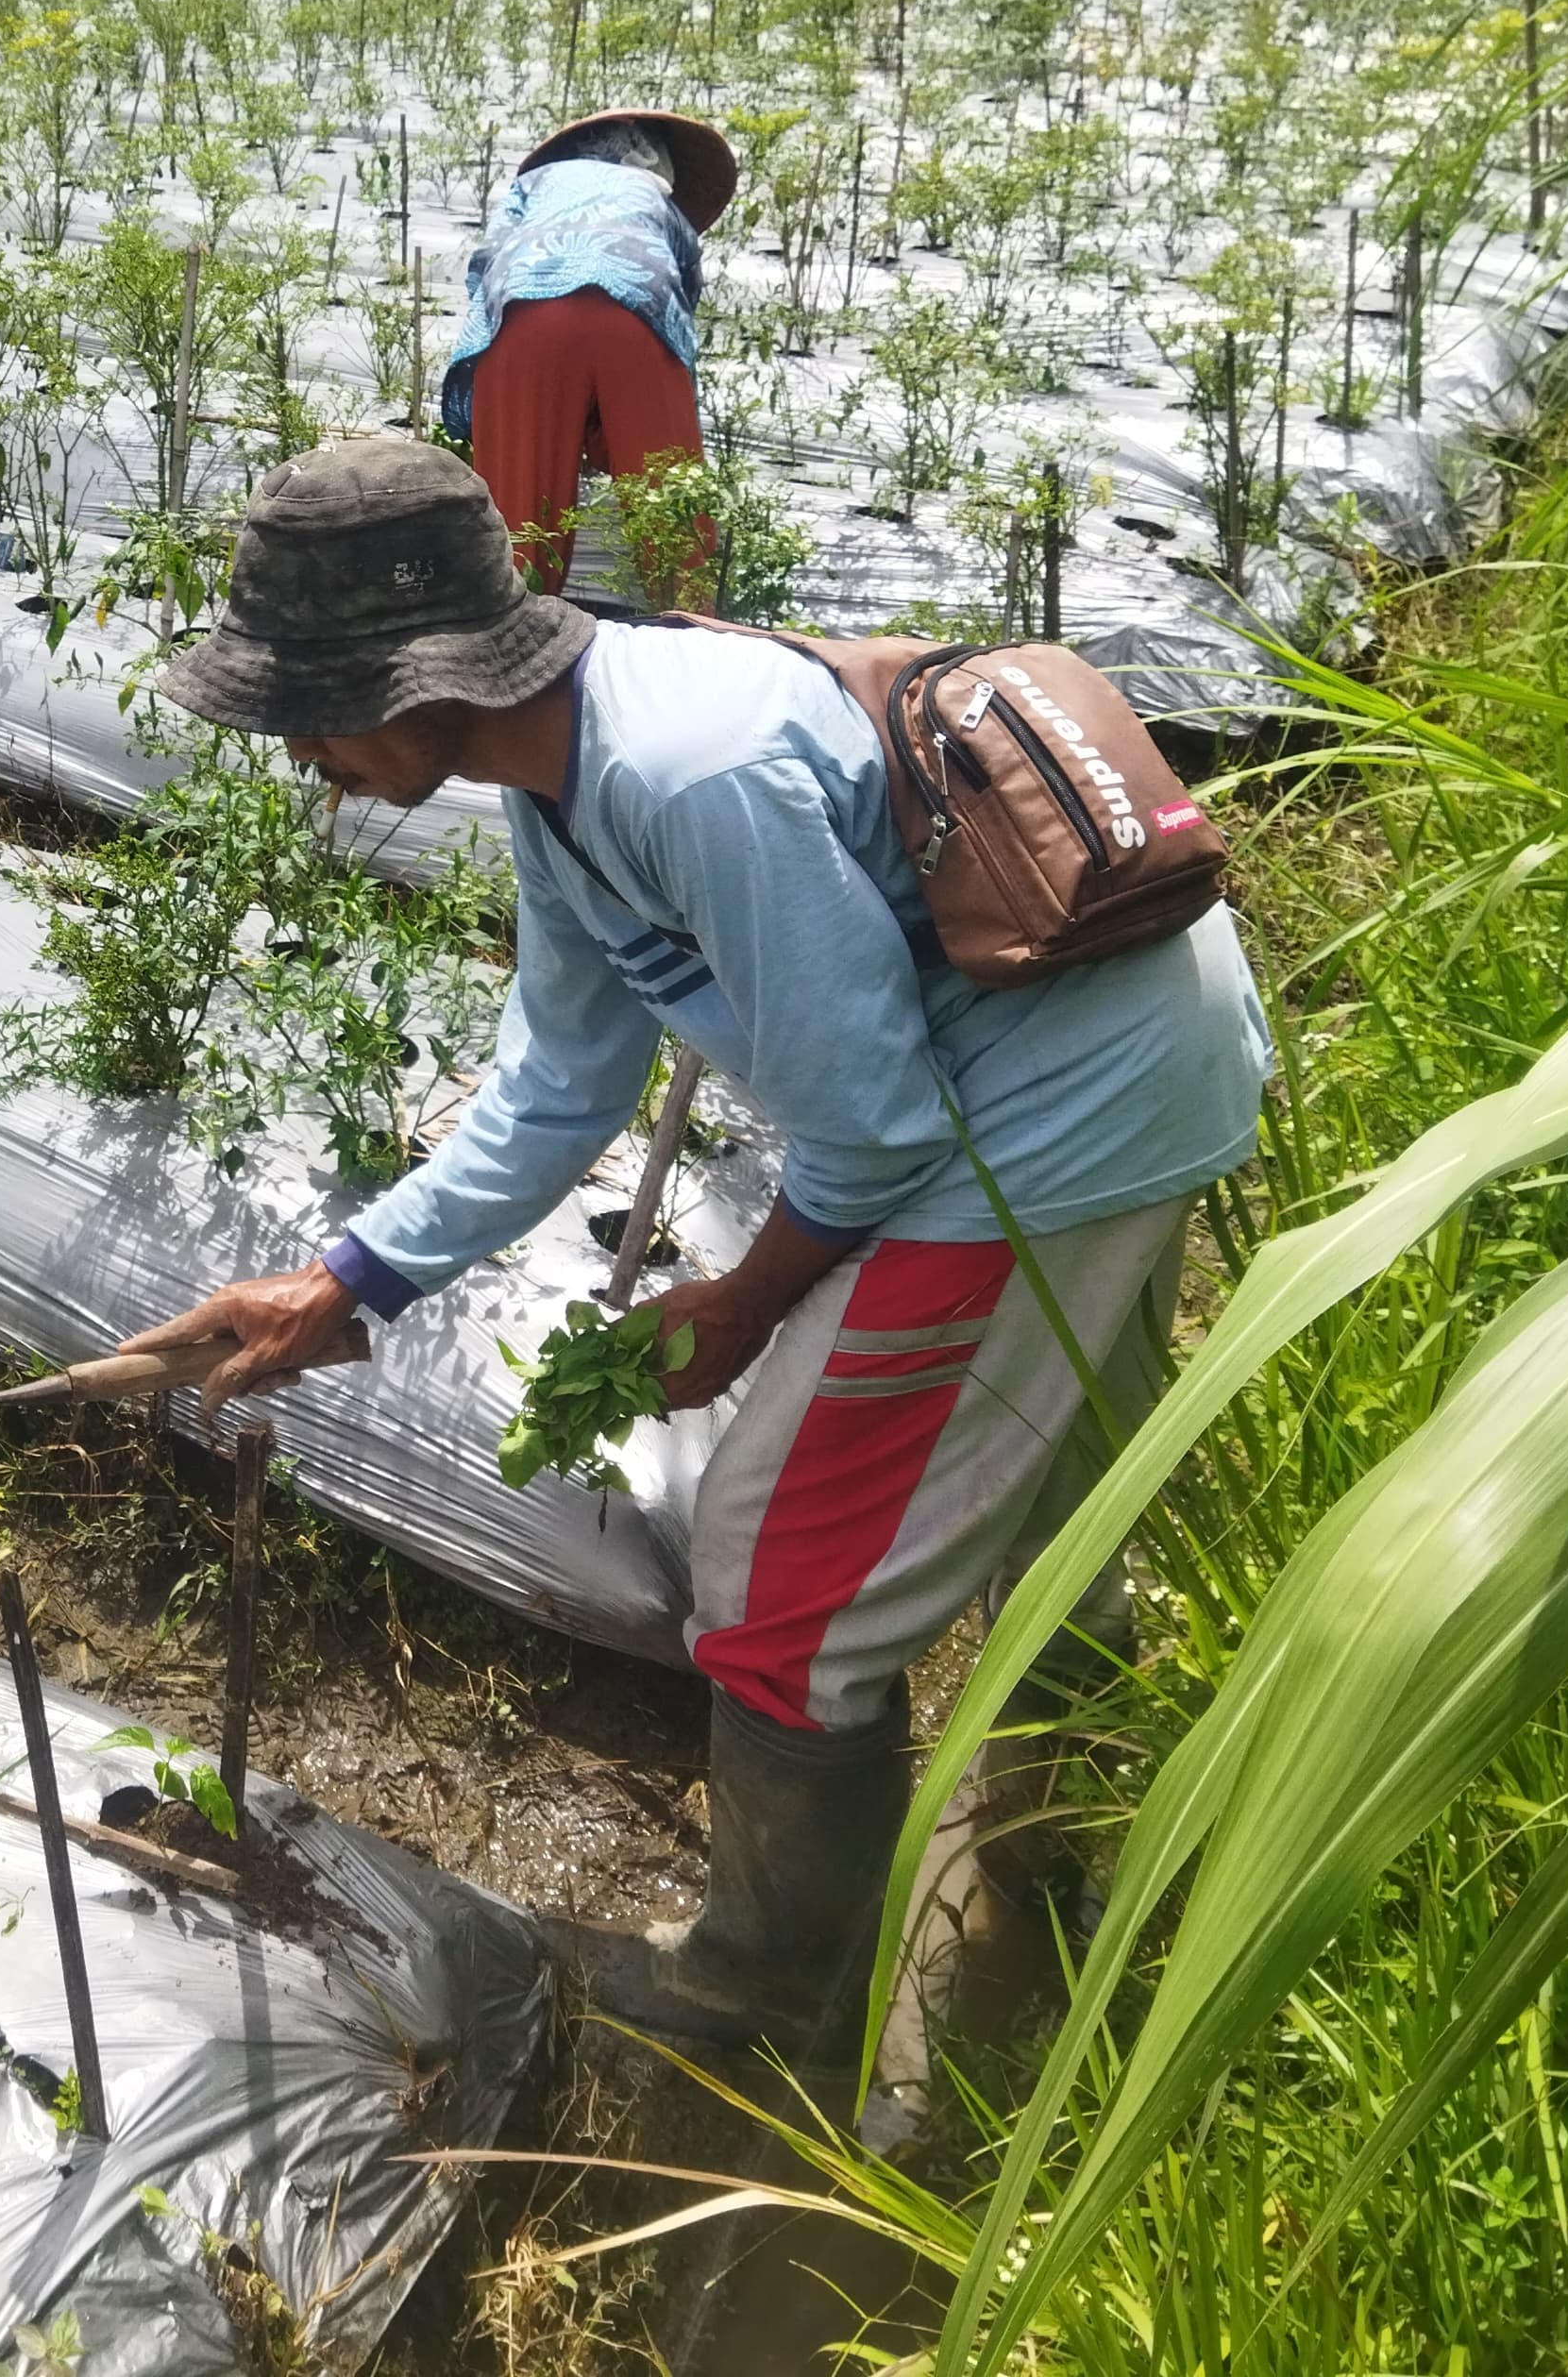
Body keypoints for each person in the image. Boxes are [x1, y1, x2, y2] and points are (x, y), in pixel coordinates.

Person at [127, 436, 1271, 2069]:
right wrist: (349, 1282)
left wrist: (741, 1302)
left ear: (415, 677)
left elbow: (875, 1132)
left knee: (783, 1575)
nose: (302, 754)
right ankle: (1049, 1842)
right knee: (1057, 1485)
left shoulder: (686, 776)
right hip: (1122, 1064)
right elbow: (560, 1079)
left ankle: (775, 1991)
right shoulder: (563, 773)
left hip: (1053, 1122)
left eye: (308, 710)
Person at [443, 110, 736, 593]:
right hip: (637, 311)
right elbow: (682, 298)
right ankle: (695, 630)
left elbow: (485, 268)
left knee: (521, 515)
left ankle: (516, 639)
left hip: (521, 313)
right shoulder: (657, 200)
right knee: (671, 508)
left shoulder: (535, 186)